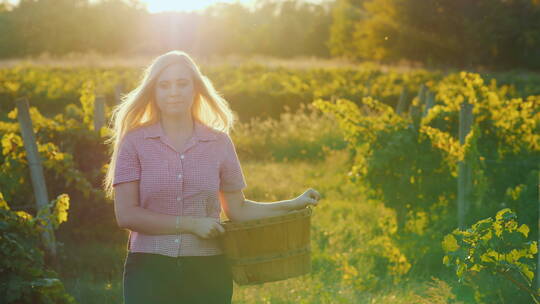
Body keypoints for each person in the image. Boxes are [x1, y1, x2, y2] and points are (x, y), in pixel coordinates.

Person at [102, 50, 322, 304]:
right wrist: (192, 224)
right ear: (154, 92)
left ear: (195, 89)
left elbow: (238, 210)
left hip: (208, 270)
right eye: (164, 85)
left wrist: (293, 203)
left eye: (182, 83)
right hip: (149, 270)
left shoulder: (219, 142)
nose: (174, 91)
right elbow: (127, 214)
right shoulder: (134, 141)